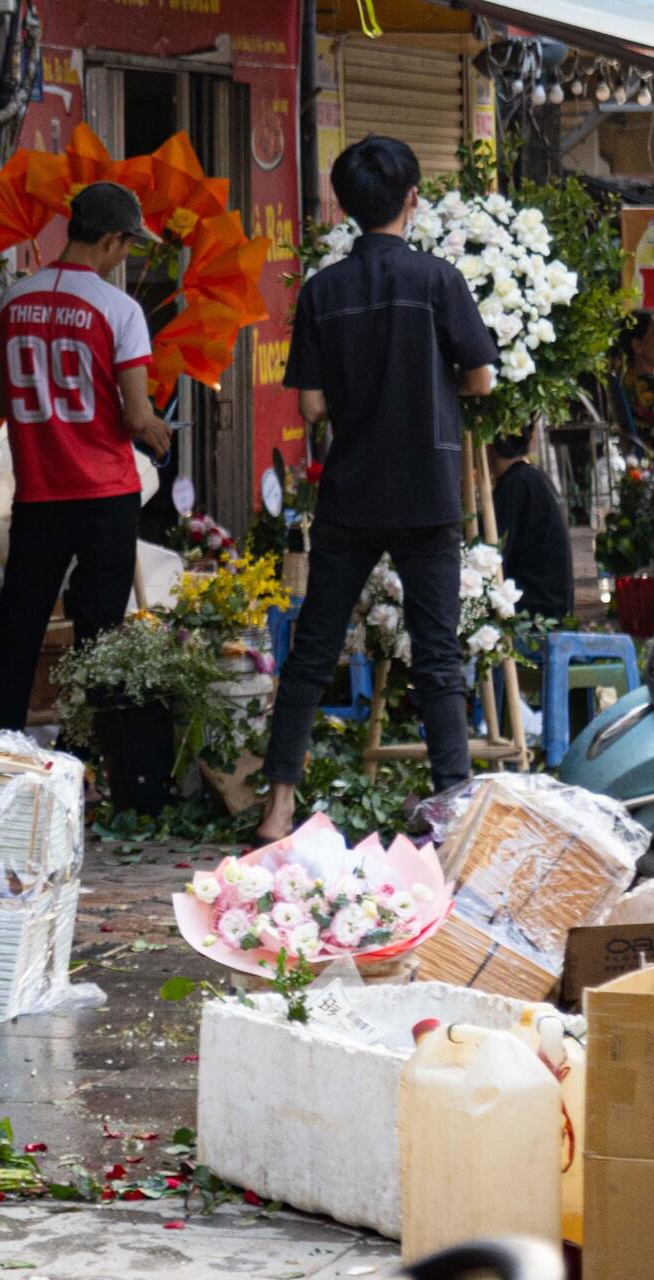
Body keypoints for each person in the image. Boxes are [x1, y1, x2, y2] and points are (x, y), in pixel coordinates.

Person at [256, 135, 499, 842]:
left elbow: (310, 408)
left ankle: (276, 810)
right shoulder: (437, 280)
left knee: (312, 651)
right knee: (438, 655)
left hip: (351, 495)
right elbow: (481, 377)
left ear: (345, 206)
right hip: (425, 491)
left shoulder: (323, 290)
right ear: (412, 199)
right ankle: (451, 811)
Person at [0, 181, 173, 730]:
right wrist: (156, 429)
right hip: (104, 492)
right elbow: (136, 417)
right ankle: (90, 757)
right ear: (110, 240)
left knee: (19, 627)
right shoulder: (121, 309)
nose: (127, 255)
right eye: (128, 244)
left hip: (38, 491)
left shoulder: (11, 301)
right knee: (98, 636)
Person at [489, 432, 574, 622]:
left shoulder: (516, 484)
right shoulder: (530, 477)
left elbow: (495, 553)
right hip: (548, 605)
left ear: (490, 447)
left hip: (534, 611)